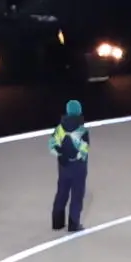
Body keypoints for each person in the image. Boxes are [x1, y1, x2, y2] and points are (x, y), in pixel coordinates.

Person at [48, 100, 91, 233]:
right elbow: (84, 150)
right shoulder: (82, 130)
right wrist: (75, 157)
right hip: (78, 168)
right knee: (77, 195)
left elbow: (51, 146)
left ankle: (57, 222)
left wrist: (62, 156)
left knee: (61, 192)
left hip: (63, 166)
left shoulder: (59, 129)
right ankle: (73, 224)